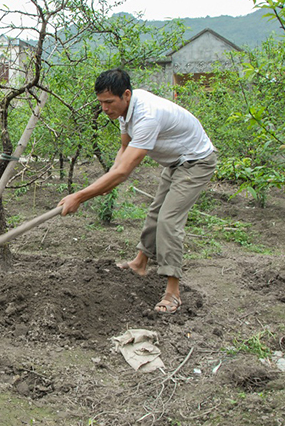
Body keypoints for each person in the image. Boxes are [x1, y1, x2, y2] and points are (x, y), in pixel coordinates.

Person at [58, 68, 217, 314]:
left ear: (127, 95)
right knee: (155, 213)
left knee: (168, 221)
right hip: (175, 162)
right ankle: (140, 264)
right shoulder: (124, 111)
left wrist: (80, 196)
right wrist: (106, 179)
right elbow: (123, 150)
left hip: (196, 162)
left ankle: (173, 292)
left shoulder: (147, 116)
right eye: (101, 103)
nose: (104, 108)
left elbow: (124, 172)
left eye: (109, 102)